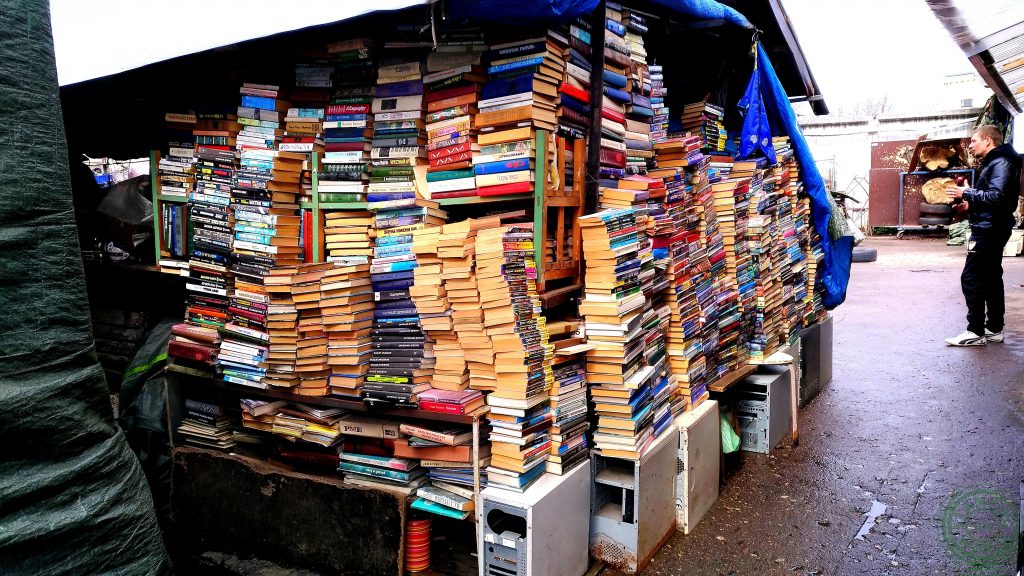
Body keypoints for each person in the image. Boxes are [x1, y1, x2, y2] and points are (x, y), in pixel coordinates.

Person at [944, 125, 1022, 346]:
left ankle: (975, 331)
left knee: (971, 278)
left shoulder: (1001, 163)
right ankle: (994, 328)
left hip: (989, 229)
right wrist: (969, 205)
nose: (970, 145)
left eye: (974, 141)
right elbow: (994, 198)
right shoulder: (999, 162)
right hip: (992, 225)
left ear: (988, 141)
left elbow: (997, 197)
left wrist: (965, 192)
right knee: (990, 278)